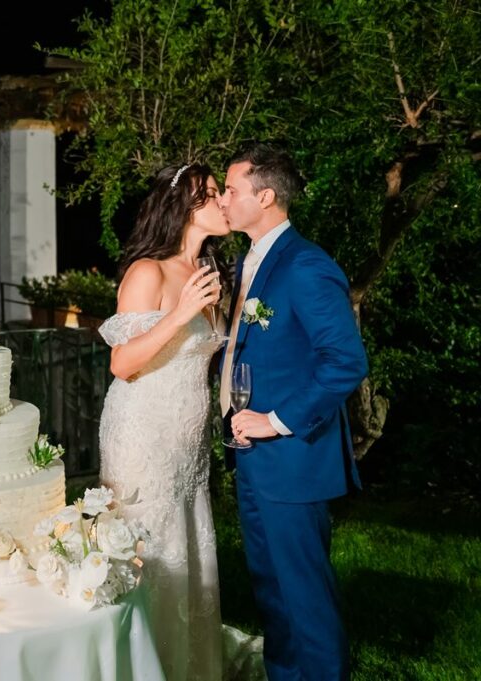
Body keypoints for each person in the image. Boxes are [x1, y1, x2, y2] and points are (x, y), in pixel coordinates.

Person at [218, 143, 367, 681]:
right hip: (253, 458)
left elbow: (345, 361)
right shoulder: (248, 261)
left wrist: (276, 420)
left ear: (265, 195)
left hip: (291, 456)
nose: (224, 198)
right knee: (272, 593)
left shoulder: (306, 264)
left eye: (232, 190)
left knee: (305, 598)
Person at [98, 162, 228, 680]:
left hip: (188, 444)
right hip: (142, 435)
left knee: (188, 546)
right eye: (211, 193)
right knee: (149, 552)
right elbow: (123, 364)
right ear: (184, 207)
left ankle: (186, 664)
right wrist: (179, 315)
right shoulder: (148, 271)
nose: (222, 200)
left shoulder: (211, 272)